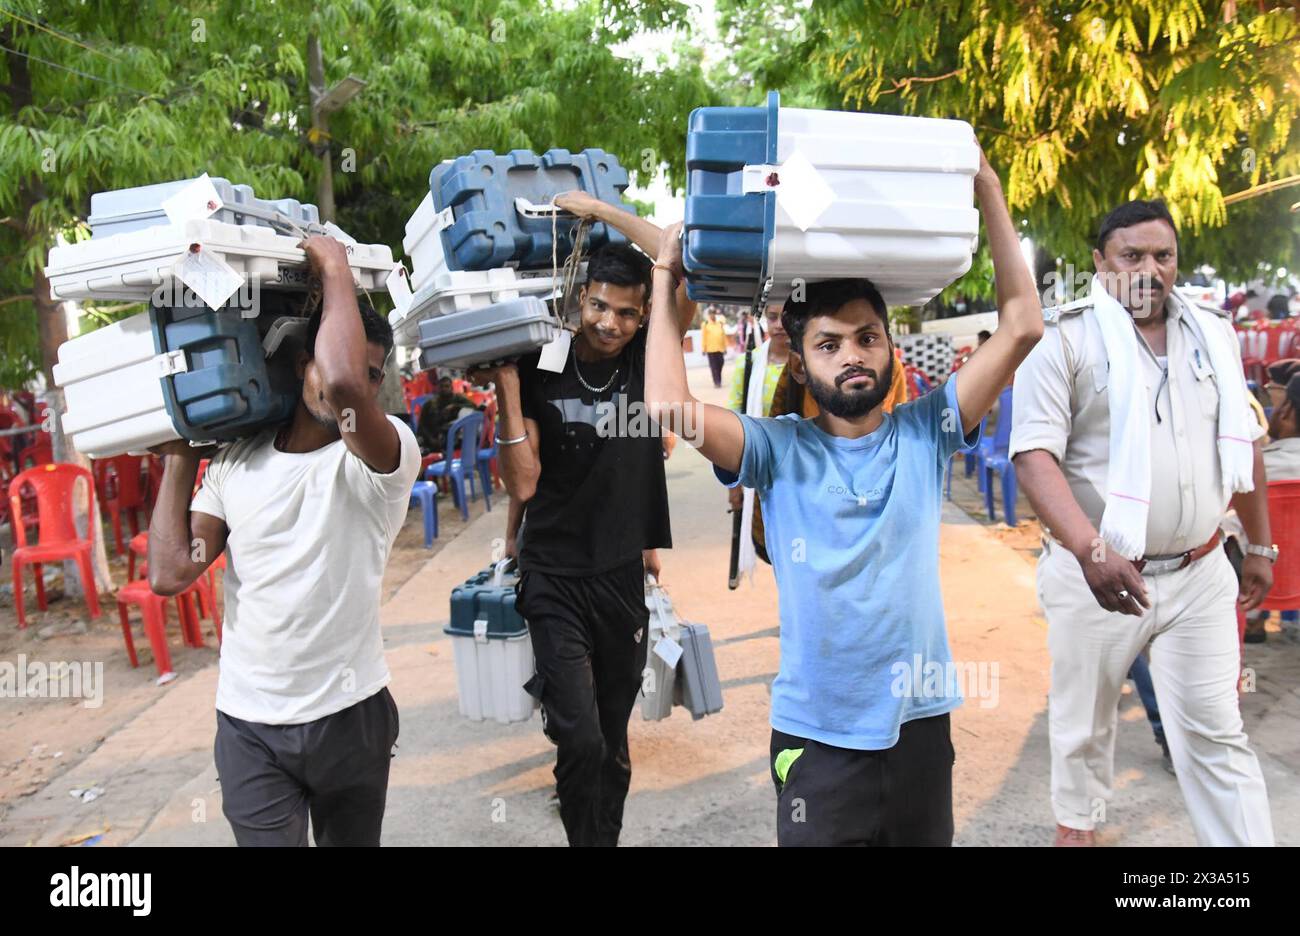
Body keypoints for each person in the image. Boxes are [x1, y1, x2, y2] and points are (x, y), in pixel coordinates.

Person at [647, 146, 1043, 846]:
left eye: (868, 337)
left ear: (891, 349)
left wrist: (988, 190)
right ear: (800, 361)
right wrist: (664, 280)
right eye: (829, 344)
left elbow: (1022, 326)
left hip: (919, 727)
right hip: (815, 737)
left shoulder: (928, 432)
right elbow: (667, 407)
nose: (853, 354)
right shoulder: (776, 447)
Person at [1010, 199, 1276, 847]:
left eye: (1164, 256)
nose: (1150, 270)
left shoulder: (1212, 334)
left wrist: (1260, 543)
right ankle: (1078, 831)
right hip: (1096, 574)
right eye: (1132, 256)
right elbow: (1034, 455)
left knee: (1217, 732)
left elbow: (1245, 444)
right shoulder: (1064, 340)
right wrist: (1089, 548)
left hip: (1201, 571)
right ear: (1101, 263)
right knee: (1084, 731)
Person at [147, 236, 421, 846]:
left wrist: (335, 265)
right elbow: (170, 572)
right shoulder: (235, 463)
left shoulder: (384, 459)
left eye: (373, 375)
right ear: (302, 363)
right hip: (250, 727)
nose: (351, 381)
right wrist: (178, 457)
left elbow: (348, 386)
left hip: (351, 718)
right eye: (327, 361)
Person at [474, 188, 696, 846]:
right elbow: (522, 480)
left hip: (621, 575)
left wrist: (600, 213)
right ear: (578, 298)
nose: (609, 322)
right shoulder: (542, 364)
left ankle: (603, 833)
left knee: (612, 744)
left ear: (642, 315)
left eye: (627, 312)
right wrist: (508, 390)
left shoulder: (644, 360)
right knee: (581, 740)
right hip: (552, 577)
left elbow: (675, 254)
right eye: (598, 304)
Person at [725, 304, 791, 577]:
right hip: (762, 476)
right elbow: (734, 427)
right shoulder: (749, 364)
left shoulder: (816, 360)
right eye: (772, 317)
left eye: (785, 318)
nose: (778, 325)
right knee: (773, 548)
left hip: (804, 474)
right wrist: (734, 484)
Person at [416, 375, 480, 455]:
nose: (444, 389)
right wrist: (431, 439)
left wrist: (455, 406)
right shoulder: (429, 404)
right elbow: (422, 426)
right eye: (441, 386)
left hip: (454, 437)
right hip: (434, 439)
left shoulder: (458, 398)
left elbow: (473, 406)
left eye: (447, 386)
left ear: (451, 388)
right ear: (438, 388)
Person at [702, 306, 728, 388]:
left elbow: (723, 336)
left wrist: (725, 347)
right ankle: (717, 382)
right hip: (710, 349)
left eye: (713, 313)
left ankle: (718, 379)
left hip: (720, 348)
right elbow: (703, 337)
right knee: (713, 367)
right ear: (709, 315)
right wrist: (703, 348)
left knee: (721, 363)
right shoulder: (705, 324)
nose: (712, 315)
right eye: (710, 314)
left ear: (715, 314)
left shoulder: (720, 324)